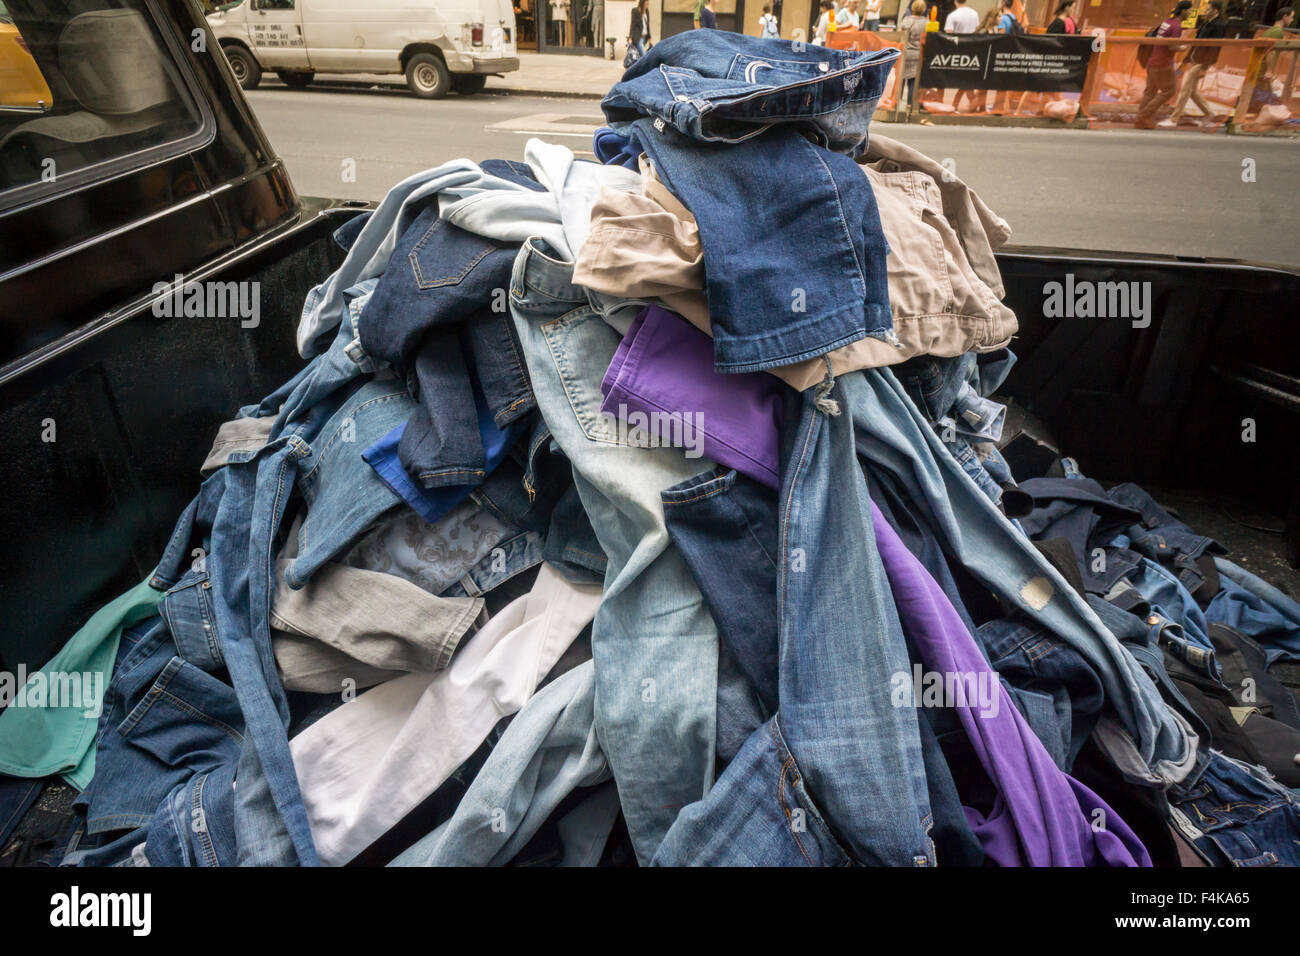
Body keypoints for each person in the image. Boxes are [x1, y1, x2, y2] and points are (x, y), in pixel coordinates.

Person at [1135, 0, 1192, 128]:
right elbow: (1172, 46)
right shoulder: (1176, 27)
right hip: (1163, 64)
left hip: (1152, 61)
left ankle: (1141, 121)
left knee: (1150, 91)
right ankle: (1143, 115)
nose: (1189, 14)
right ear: (1183, 11)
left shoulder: (1167, 22)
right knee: (1170, 90)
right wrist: (1183, 47)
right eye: (1189, 11)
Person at [1167, 0, 1226, 124]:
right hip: (1196, 58)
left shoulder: (1218, 26)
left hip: (1201, 61)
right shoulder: (1206, 23)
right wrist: (1186, 60)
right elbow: (1196, 42)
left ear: (1216, 11)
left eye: (1208, 9)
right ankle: (1209, 113)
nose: (1205, 12)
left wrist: (1205, 67)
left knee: (1186, 89)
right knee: (1192, 91)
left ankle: (1174, 118)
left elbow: (1215, 48)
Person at [899, 0, 929, 109]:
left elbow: (900, 34)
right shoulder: (926, 23)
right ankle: (909, 104)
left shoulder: (906, 20)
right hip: (918, 54)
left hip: (905, 52)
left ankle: (896, 101)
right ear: (924, 9)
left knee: (900, 78)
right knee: (912, 81)